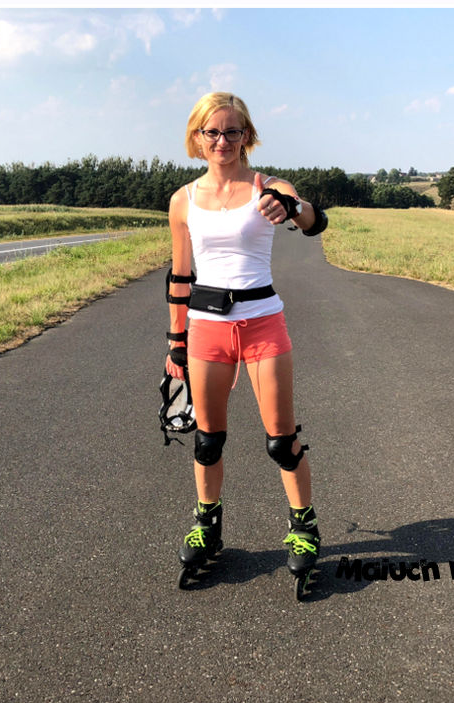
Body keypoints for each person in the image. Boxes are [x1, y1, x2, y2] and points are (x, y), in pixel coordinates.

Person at [164, 92, 328, 595]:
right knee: (207, 438)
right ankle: (207, 524)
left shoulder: (268, 187)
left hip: (262, 324)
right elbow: (180, 275)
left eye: (232, 131)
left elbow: (313, 222)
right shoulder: (183, 200)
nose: (222, 141)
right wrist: (175, 342)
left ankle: (304, 527)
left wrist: (292, 206)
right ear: (197, 137)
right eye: (211, 132)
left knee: (281, 440)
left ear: (246, 136)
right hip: (206, 328)